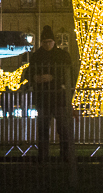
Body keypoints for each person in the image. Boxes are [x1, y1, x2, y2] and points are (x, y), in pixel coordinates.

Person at [27, 25, 76, 163]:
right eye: (45, 42)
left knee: (62, 129)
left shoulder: (56, 56)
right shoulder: (40, 56)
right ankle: (44, 157)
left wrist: (51, 78)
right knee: (44, 130)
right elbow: (29, 73)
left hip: (56, 97)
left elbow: (69, 75)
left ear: (54, 42)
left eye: (49, 42)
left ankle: (63, 156)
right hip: (46, 98)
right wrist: (35, 78)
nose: (47, 44)